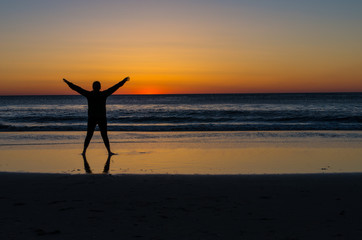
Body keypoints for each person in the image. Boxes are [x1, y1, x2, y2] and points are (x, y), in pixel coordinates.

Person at [63, 77, 130, 155]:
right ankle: (100, 151)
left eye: (97, 86)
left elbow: (77, 88)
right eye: (97, 86)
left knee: (95, 135)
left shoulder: (92, 94)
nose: (97, 87)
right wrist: (123, 81)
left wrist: (68, 83)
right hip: (97, 118)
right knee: (97, 135)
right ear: (98, 87)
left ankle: (86, 151)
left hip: (96, 118)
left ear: (94, 87)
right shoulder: (101, 94)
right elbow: (115, 87)